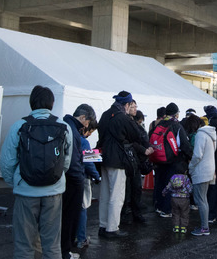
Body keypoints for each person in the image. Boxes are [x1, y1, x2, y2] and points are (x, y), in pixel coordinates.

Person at [0, 85, 73, 259]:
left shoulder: (20, 126)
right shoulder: (64, 126)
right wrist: (55, 178)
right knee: (52, 244)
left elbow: (7, 161)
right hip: (53, 192)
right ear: (52, 103)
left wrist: (15, 181)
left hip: (26, 191)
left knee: (24, 244)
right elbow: (66, 161)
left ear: (31, 102)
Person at [96, 91, 153, 239]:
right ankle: (112, 228)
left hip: (104, 158)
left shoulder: (105, 114)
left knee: (105, 195)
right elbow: (135, 135)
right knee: (117, 195)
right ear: (127, 104)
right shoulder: (123, 118)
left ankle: (103, 225)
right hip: (118, 160)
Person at [60, 104, 97, 259]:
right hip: (75, 180)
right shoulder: (79, 137)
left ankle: (66, 248)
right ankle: (77, 242)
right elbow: (86, 162)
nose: (88, 130)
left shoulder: (65, 127)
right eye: (89, 126)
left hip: (63, 179)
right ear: (83, 119)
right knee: (79, 211)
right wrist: (96, 176)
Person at [149, 102, 193, 218]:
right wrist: (190, 157)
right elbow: (184, 144)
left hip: (158, 158)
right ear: (177, 114)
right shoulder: (176, 126)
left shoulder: (159, 124)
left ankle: (158, 206)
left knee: (160, 182)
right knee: (171, 184)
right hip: (173, 159)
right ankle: (167, 209)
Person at [188, 112, 217, 236]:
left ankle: (204, 228)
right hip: (210, 169)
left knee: (200, 200)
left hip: (201, 170)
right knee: (204, 199)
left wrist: (190, 166)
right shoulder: (211, 134)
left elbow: (198, 155)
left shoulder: (200, 135)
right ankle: (205, 226)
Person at [75, 116, 100, 250]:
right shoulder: (84, 142)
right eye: (91, 131)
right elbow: (90, 163)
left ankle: (72, 236)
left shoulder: (71, 136)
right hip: (82, 178)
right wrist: (97, 176)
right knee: (83, 209)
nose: (90, 134)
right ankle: (81, 238)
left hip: (69, 178)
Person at [161, 166, 193, 233]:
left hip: (174, 198)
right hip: (184, 199)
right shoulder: (185, 178)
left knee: (175, 213)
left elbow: (168, 187)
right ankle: (183, 227)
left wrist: (164, 192)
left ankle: (176, 227)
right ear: (185, 171)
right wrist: (192, 193)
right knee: (184, 213)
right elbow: (189, 188)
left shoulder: (173, 177)